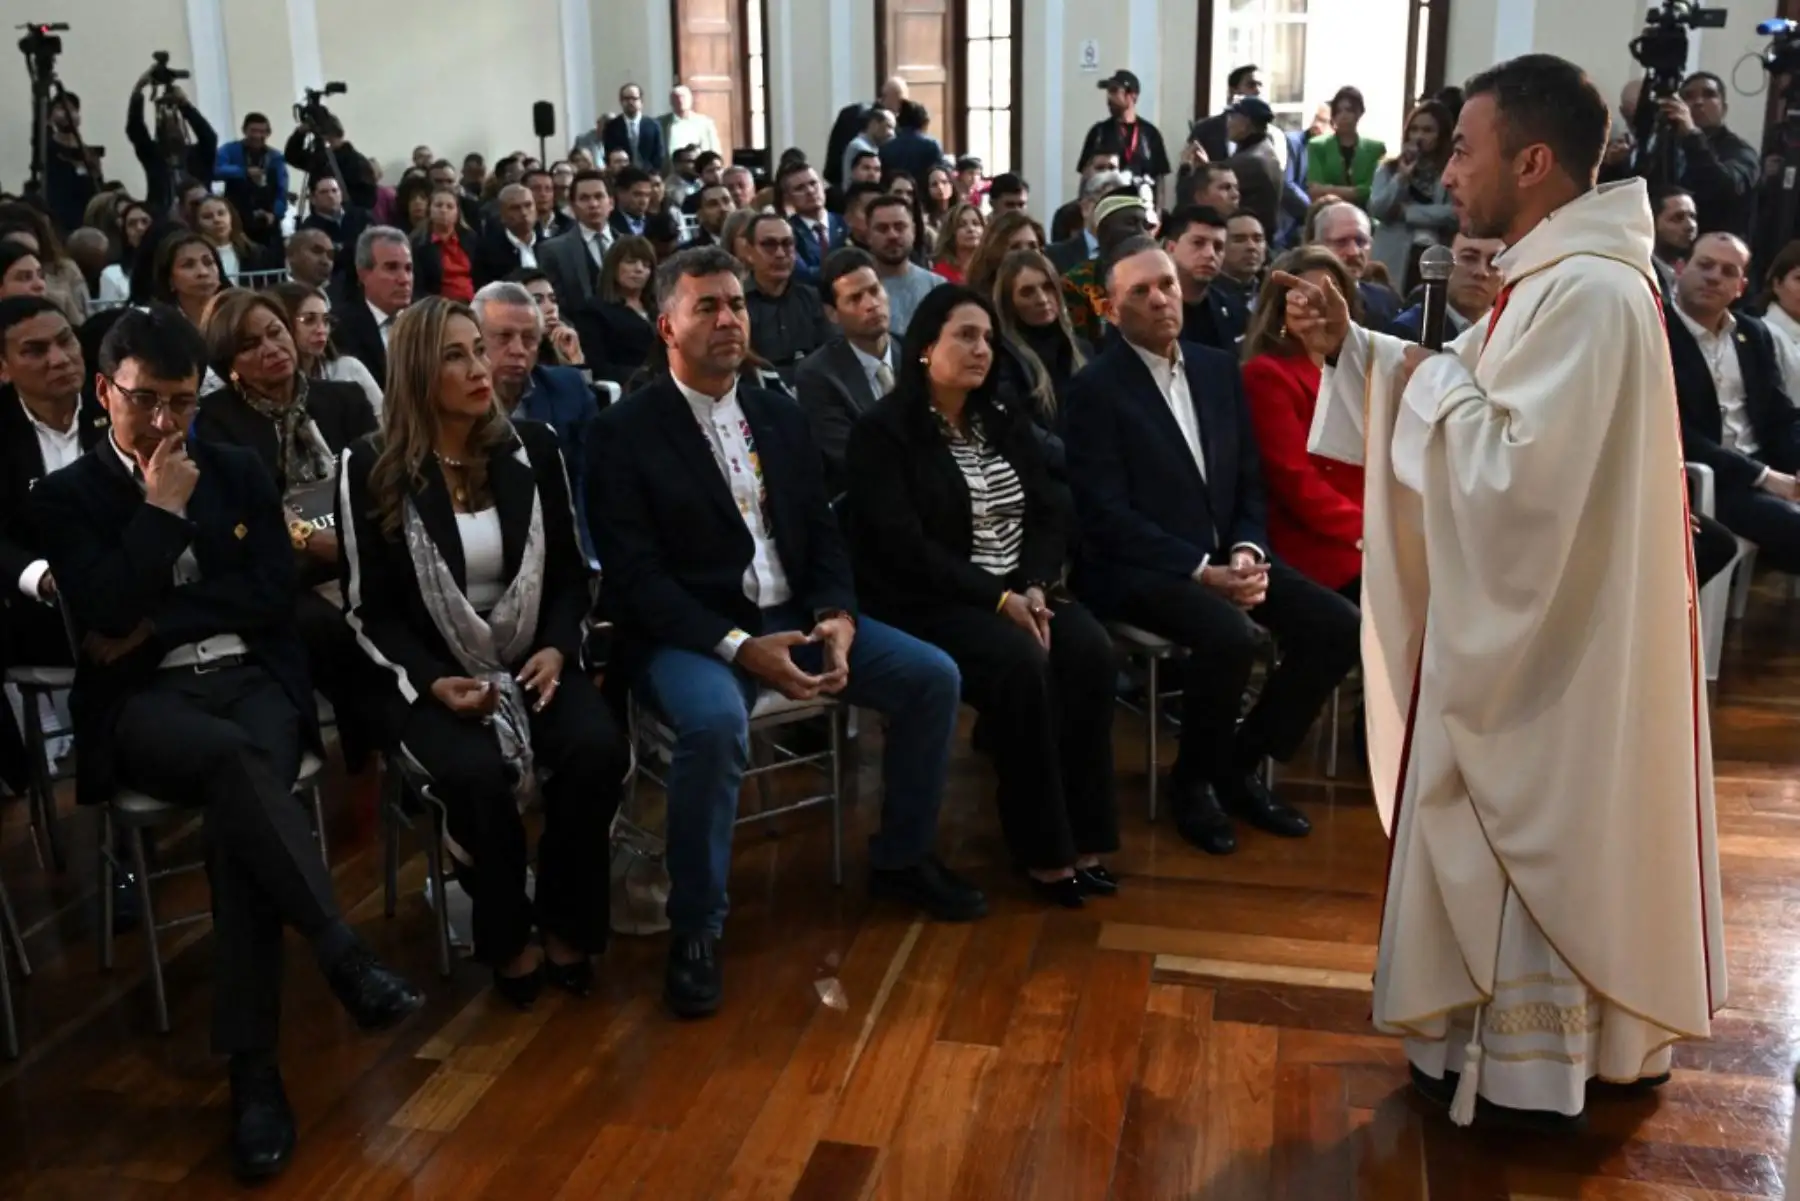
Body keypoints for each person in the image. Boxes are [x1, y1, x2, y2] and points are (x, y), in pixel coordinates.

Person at [1289, 52, 1724, 1126]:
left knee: (1530, 812)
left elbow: (1513, 474)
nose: (1451, 168)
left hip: (1553, 652)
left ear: (1533, 160)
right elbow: (1463, 389)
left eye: (1468, 149)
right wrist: (1356, 349)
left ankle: (1537, 1060)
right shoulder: (1559, 279)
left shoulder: (1586, 293)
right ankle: (1488, 1047)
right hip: (1533, 626)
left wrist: (1416, 378)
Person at [37, 304, 421, 1180]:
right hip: (146, 704)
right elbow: (98, 616)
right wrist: (163, 515)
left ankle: (258, 1076)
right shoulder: (67, 498)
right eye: (148, 402)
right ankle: (336, 955)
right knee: (241, 775)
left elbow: (266, 595)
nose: (169, 424)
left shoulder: (240, 468)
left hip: (252, 678)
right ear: (107, 392)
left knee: (238, 819)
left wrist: (157, 616)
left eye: (184, 402)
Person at [586, 247, 981, 1018]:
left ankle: (902, 855)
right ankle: (697, 925)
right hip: (693, 633)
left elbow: (823, 535)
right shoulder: (624, 431)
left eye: (736, 304)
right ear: (666, 324)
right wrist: (741, 649)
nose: (730, 318)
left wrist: (836, 614)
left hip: (798, 616)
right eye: (708, 306)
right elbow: (638, 580)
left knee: (933, 675)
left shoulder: (776, 408)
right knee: (713, 721)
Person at [339, 295, 622, 1008]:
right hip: (432, 673)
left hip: (532, 656)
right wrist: (435, 684)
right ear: (414, 372)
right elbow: (369, 612)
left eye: (478, 349)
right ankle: (507, 938)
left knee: (595, 749)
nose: (480, 367)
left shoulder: (535, 447)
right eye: (455, 355)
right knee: (475, 772)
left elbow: (566, 575)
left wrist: (559, 649)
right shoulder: (373, 466)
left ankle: (566, 918)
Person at [1067, 234, 1357, 858]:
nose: (1159, 299)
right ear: (1112, 310)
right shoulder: (1094, 389)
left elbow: (1249, 479)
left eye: (1165, 284)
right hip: (1139, 566)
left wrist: (1249, 549)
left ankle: (1238, 763)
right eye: (1138, 292)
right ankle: (1191, 783)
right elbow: (1106, 516)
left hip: (1228, 552)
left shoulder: (1214, 366)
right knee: (1230, 635)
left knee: (1338, 624)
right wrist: (1203, 570)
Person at [845, 284, 1119, 907]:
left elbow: (1053, 511)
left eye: (988, 339)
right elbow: (903, 546)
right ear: (924, 348)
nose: (981, 350)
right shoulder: (884, 433)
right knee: (1021, 664)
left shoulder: (1000, 418)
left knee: (1091, 651)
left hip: (1022, 590)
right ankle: (1043, 849)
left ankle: (1086, 839)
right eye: (964, 336)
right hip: (931, 601)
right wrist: (1000, 599)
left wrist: (1034, 584)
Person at [193, 289, 379, 764]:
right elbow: (247, 511)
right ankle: (368, 747)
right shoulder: (216, 422)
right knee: (326, 625)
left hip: (359, 549)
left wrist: (353, 544)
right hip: (281, 567)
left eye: (276, 333)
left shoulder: (343, 398)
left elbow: (378, 483)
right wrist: (313, 542)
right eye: (250, 345)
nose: (271, 349)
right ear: (228, 363)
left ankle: (405, 738)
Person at [1669, 231, 1800, 574]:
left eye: (1728, 271)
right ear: (1681, 269)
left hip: (1765, 469)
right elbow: (1674, 431)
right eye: (1705, 265)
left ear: (1740, 286)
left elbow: (1780, 415)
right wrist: (1763, 476)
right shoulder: (1657, 329)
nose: (1714, 276)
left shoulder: (1752, 334)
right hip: (1711, 479)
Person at [1239, 249, 1365, 596]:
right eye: (1304, 297)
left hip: (1370, 531)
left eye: (1329, 295)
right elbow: (1295, 480)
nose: (1317, 306)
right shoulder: (1266, 375)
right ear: (1280, 307)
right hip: (1316, 544)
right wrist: (1367, 529)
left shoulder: (1358, 367)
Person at [471, 281, 601, 559]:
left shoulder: (569, 389)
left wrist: (588, 557)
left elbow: (591, 480)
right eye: (504, 337)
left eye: (529, 338)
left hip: (559, 541)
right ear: (476, 339)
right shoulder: (458, 396)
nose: (518, 350)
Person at [795, 247, 896, 492]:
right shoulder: (818, 375)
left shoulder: (921, 355)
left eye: (874, 291)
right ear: (832, 314)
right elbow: (853, 458)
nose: (871, 304)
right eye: (855, 298)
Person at [991, 248, 1090, 483]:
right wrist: (1078, 463)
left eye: (1047, 287)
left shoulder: (1082, 350)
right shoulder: (1001, 357)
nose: (1042, 299)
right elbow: (1021, 430)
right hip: (1041, 481)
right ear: (1010, 303)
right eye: (1027, 292)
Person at [1651, 71, 1759, 240]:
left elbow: (1725, 189)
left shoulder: (1740, 151)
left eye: (1709, 95)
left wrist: (1692, 136)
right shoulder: (1666, 146)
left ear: (1724, 108)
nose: (1698, 102)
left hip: (1714, 251)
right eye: (1688, 97)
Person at [1370, 100, 1457, 293]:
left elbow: (1454, 213)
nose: (1419, 136)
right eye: (1414, 129)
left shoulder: (1451, 171)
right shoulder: (1389, 168)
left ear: (1441, 135)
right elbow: (1378, 209)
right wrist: (1401, 178)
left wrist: (1408, 213)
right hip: (1394, 256)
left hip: (1434, 257)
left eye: (1428, 130)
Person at [267, 281, 384, 416]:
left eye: (326, 320)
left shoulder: (349, 369)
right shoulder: (272, 382)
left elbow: (385, 423)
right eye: (309, 320)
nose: (321, 330)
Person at [740, 214, 831, 383]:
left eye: (787, 244)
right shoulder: (737, 303)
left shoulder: (811, 297)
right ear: (749, 252)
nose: (780, 254)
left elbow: (829, 351)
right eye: (769, 245)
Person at [1062, 187, 1155, 346]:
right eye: (1131, 223)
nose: (1141, 232)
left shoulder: (1160, 279)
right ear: (1104, 231)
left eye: (1145, 225)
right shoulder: (1076, 283)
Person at [569, 235, 658, 387]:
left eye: (646, 264)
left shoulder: (659, 307)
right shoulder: (594, 311)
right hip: (631, 389)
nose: (639, 269)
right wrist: (648, 377)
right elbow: (599, 367)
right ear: (613, 267)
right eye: (630, 262)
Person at [126, 73, 218, 215]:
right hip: (163, 215)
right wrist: (138, 91)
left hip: (200, 215)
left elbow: (209, 136)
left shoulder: (198, 155)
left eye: (175, 123)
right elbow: (135, 129)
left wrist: (185, 106)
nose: (171, 129)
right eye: (165, 124)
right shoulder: (154, 156)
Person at [1392, 231, 1506, 343]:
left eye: (1494, 262)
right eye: (1469, 258)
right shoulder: (1409, 331)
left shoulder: (1509, 330)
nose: (1481, 272)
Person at [1162, 206, 1248, 353]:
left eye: (1218, 247)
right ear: (1171, 248)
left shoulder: (1234, 311)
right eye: (1198, 243)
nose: (1210, 254)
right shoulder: (1149, 307)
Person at [335, 227, 414, 385]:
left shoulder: (427, 319)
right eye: (391, 268)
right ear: (363, 274)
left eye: (408, 268)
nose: (404, 279)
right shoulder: (340, 328)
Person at [1311, 202, 1402, 332]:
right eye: (1341, 242)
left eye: (1361, 242)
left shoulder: (1386, 301)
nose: (1353, 252)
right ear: (1317, 246)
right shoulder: (1300, 304)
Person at [1079, 70, 1172, 194]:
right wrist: (1083, 206)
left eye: (1114, 91)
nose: (1109, 98)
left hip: (1141, 207)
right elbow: (1085, 177)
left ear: (1132, 95)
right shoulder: (1098, 132)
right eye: (1108, 92)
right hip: (1106, 206)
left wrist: (1157, 212)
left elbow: (1160, 179)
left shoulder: (1150, 134)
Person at [865, 196, 944, 336]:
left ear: (913, 230)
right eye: (882, 229)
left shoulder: (937, 286)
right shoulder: (858, 291)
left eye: (900, 227)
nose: (892, 235)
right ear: (868, 235)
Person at [538, 170, 615, 308]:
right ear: (573, 206)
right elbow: (555, 303)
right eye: (584, 198)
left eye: (599, 196)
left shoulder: (629, 244)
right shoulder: (554, 250)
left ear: (611, 203)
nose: (593, 204)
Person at [1224, 98, 1296, 245]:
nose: (1228, 123)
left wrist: (1197, 170)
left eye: (1233, 117)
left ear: (1246, 123)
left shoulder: (1251, 160)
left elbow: (1215, 182)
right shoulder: (1264, 148)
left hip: (1247, 242)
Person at [215, 112, 288, 250]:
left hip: (268, 221)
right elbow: (216, 170)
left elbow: (282, 190)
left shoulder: (275, 157)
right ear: (244, 130)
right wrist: (243, 172)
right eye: (253, 131)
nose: (257, 136)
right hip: (237, 218)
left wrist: (275, 214)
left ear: (268, 133)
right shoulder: (230, 150)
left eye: (262, 132)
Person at [1307, 86, 1386, 209]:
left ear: (1360, 112)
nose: (1343, 116)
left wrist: (1328, 189)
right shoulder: (1317, 146)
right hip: (1327, 214)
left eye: (1349, 110)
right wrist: (1355, 192)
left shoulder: (1375, 149)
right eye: (1338, 111)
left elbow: (1371, 191)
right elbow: (1314, 191)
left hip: (1365, 215)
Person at [782, 163, 845, 286]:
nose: (810, 191)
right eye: (800, 188)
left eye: (813, 183)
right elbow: (803, 275)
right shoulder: (786, 231)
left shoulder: (845, 223)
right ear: (788, 198)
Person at [411, 187, 477, 303]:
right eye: (438, 205)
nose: (444, 210)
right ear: (429, 211)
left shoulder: (471, 239)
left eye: (450, 206)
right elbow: (417, 288)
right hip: (437, 307)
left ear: (457, 213)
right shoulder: (417, 244)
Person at [150, 231, 224, 328]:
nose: (203, 272)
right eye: (188, 265)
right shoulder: (156, 325)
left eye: (208, 262)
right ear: (169, 279)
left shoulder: (238, 316)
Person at [964, 210, 1047, 296]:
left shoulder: (1049, 300)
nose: (1026, 253)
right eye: (1015, 247)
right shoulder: (975, 304)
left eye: (1033, 247)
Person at [472, 185, 541, 288]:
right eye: (515, 208)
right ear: (502, 215)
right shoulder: (487, 252)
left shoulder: (551, 245)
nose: (524, 213)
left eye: (528, 205)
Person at [194, 196, 269, 285]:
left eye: (221, 213)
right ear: (197, 223)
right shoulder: (194, 257)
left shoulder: (256, 252)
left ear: (231, 217)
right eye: (207, 217)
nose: (217, 220)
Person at [880, 101, 946, 185]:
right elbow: (939, 174)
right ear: (924, 123)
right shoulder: (932, 145)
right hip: (923, 193)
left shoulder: (886, 147)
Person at [658, 85, 722, 169]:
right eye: (676, 98)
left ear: (690, 100)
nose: (680, 101)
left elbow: (715, 150)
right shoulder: (660, 123)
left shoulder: (705, 123)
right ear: (671, 101)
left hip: (699, 171)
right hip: (670, 173)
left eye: (683, 97)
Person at [1216, 209, 1268, 307]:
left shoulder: (1275, 291)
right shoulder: (1204, 295)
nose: (1251, 246)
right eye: (1239, 240)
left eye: (1258, 239)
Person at [1650, 184, 1699, 280]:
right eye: (1678, 218)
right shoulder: (1640, 274)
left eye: (1692, 217)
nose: (1691, 226)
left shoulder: (1695, 276)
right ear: (1653, 222)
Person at [931, 203, 985, 284]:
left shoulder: (993, 269)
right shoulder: (939, 275)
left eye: (976, 223)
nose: (971, 229)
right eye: (962, 225)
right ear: (951, 233)